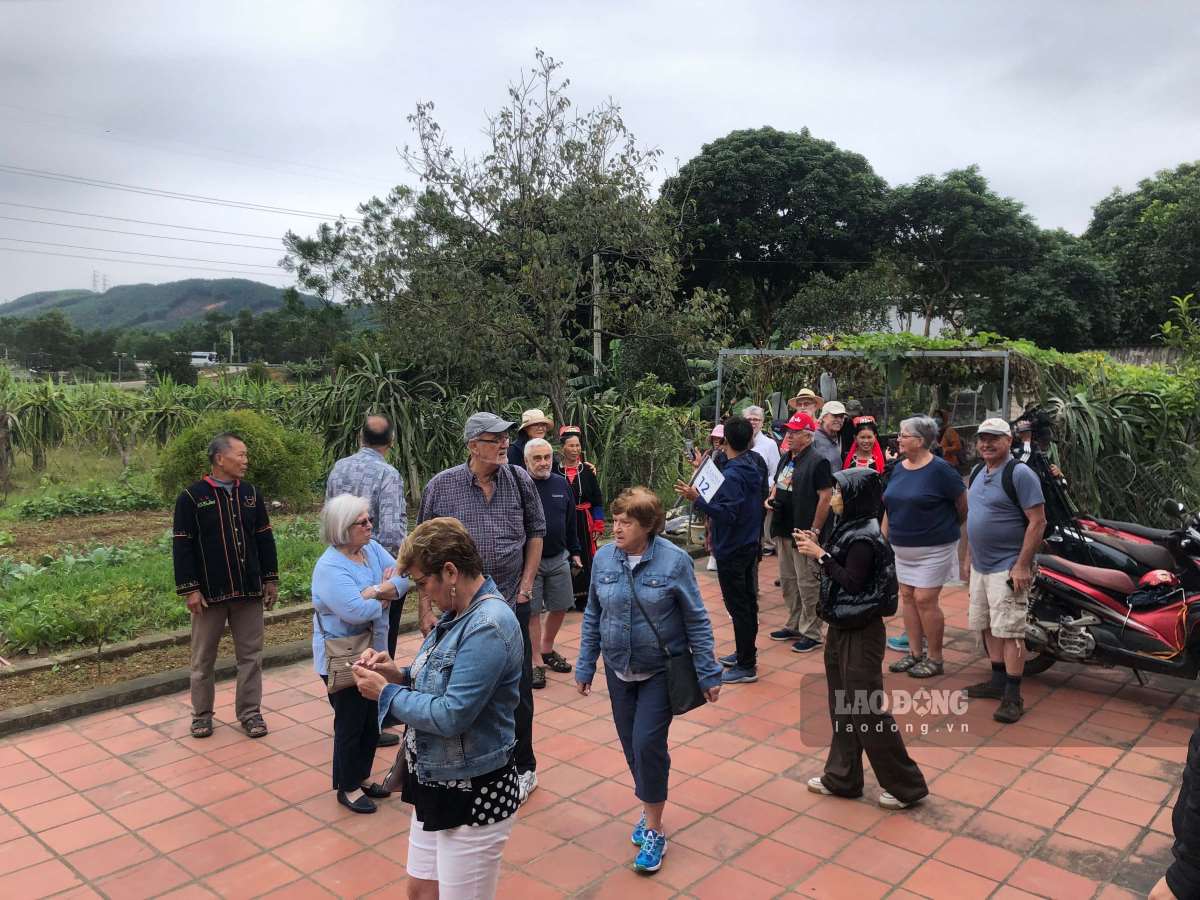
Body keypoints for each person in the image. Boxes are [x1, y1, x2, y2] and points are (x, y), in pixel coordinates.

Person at [352, 517, 522, 899]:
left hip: (473, 794)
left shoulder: (488, 625)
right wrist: (397, 674)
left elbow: (451, 714)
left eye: (422, 582)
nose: (422, 594)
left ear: (450, 571)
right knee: (421, 891)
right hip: (436, 780)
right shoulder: (459, 613)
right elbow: (445, 677)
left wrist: (385, 694)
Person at [575, 487, 722, 875]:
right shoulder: (604, 557)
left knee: (648, 744)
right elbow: (593, 613)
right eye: (617, 520)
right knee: (631, 746)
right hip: (618, 669)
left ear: (648, 526)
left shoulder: (673, 562)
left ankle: (654, 827)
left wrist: (708, 671)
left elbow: (696, 619)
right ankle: (649, 804)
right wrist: (585, 663)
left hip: (659, 670)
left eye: (626, 522)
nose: (617, 528)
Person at [418, 412, 546, 803]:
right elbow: (423, 550)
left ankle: (524, 766)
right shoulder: (442, 487)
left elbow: (536, 532)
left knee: (518, 690)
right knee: (457, 685)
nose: (505, 444)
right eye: (495, 439)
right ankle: (467, 761)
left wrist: (525, 587)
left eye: (507, 437)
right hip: (458, 610)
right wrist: (425, 607)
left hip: (510, 602)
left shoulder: (519, 479)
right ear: (473, 446)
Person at [793, 468, 929, 810]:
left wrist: (819, 555)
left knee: (867, 710)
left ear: (856, 496)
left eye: (840, 492)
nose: (834, 497)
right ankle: (843, 777)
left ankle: (906, 786)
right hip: (842, 628)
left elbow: (852, 582)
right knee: (842, 705)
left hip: (862, 633)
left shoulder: (865, 537)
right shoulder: (850, 528)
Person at [173, 432, 278, 740]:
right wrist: (191, 589)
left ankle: (249, 712)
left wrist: (270, 579)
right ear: (221, 459)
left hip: (248, 591)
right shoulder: (192, 498)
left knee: (251, 656)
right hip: (209, 595)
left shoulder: (250, 494)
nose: (246, 461)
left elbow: (264, 538)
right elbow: (182, 546)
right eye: (241, 455)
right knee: (203, 659)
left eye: (246, 455)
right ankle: (201, 715)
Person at [311, 494, 409, 812]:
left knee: (370, 720)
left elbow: (402, 576)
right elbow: (355, 611)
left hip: (372, 653)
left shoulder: (368, 549)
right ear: (343, 528)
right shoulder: (329, 567)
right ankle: (347, 786)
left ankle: (361, 777)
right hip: (344, 657)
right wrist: (384, 596)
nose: (371, 525)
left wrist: (378, 590)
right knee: (351, 722)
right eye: (363, 522)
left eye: (369, 519)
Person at [325, 414, 408, 748]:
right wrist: (389, 579)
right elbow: (390, 530)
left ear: (361, 437)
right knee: (378, 649)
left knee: (342, 642)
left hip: (341, 568)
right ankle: (368, 721)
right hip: (377, 573)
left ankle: (352, 715)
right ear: (391, 442)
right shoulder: (388, 473)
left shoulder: (339, 467)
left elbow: (329, 517)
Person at [962, 419, 1046, 724]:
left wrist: (1022, 564)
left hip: (1008, 567)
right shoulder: (977, 471)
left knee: (1010, 630)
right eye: (982, 439)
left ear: (1008, 440)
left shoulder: (1020, 474)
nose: (986, 444)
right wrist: (968, 556)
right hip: (981, 566)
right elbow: (975, 516)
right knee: (986, 625)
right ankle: (997, 680)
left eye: (993, 439)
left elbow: (1038, 522)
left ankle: (1013, 695)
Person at [674, 415, 764, 684]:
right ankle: (745, 652)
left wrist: (697, 500)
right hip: (749, 542)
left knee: (739, 606)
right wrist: (702, 464)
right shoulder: (753, 462)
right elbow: (723, 468)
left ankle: (747, 665)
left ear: (725, 440)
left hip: (733, 547)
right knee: (747, 603)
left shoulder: (734, 475)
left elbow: (727, 514)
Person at [882, 416, 968, 679]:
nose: (898, 439)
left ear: (919, 441)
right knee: (907, 596)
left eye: (903, 435)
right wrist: (883, 538)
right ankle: (915, 653)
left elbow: (962, 507)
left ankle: (936, 657)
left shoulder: (941, 470)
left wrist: (944, 528)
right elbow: (890, 504)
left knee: (924, 599)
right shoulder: (898, 467)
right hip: (902, 546)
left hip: (934, 547)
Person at [767, 412, 835, 653]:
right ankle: (795, 623)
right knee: (788, 581)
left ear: (808, 435)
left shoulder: (818, 461)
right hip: (783, 527)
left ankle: (812, 632)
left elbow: (826, 497)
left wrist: (815, 530)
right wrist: (771, 499)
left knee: (808, 583)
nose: (789, 436)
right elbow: (778, 484)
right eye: (788, 431)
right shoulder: (787, 457)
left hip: (804, 531)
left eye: (794, 432)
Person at [524, 438, 583, 689]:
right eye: (537, 458)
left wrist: (576, 551)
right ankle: (535, 661)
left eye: (547, 457)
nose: (543, 463)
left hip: (559, 557)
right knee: (533, 612)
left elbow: (571, 522)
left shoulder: (561, 484)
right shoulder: (520, 486)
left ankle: (547, 649)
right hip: (529, 562)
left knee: (561, 605)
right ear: (526, 461)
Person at [560, 426, 605, 611]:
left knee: (586, 557)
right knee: (566, 557)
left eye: (578, 445)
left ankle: (585, 598)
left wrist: (598, 525)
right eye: (571, 446)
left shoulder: (587, 471)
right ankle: (566, 597)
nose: (575, 449)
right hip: (564, 522)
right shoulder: (555, 471)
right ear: (563, 448)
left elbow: (597, 499)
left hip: (584, 520)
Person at [744, 405, 780, 555]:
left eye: (756, 419)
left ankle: (766, 544)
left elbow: (776, 471)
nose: (753, 422)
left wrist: (766, 486)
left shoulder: (769, 444)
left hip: (762, 491)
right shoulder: (739, 441)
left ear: (762, 422)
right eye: (750, 419)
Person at [813, 401, 847, 472]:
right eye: (835, 416)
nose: (839, 420)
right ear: (824, 417)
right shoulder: (813, 438)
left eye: (841, 417)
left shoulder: (841, 437)